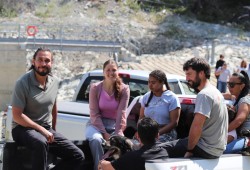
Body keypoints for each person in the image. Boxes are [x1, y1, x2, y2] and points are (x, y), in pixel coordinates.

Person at [11, 47, 85, 170]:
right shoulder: (22, 83)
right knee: (41, 142)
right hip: (22, 129)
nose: (43, 64)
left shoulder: (54, 82)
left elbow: (53, 107)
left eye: (47, 60)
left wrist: (53, 130)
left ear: (52, 63)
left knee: (77, 155)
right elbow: (17, 116)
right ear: (33, 61)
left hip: (45, 128)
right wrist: (42, 130)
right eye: (40, 60)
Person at [158, 57, 228, 159]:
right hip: (216, 149)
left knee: (157, 150)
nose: (187, 79)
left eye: (189, 74)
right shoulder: (215, 92)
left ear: (201, 73)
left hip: (204, 148)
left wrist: (190, 150)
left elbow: (197, 126)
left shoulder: (204, 94)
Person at [85, 59, 130, 170]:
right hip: (96, 124)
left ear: (118, 71)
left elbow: (122, 113)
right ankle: (99, 167)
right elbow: (94, 114)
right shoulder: (95, 88)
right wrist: (105, 133)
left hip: (115, 125)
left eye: (114, 70)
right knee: (96, 140)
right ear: (103, 72)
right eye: (108, 70)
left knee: (124, 145)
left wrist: (117, 134)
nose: (111, 73)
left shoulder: (125, 89)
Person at [99, 117, 168, 170]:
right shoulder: (165, 152)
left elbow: (106, 166)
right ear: (158, 136)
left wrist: (101, 163)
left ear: (137, 136)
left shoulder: (131, 157)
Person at [139, 70, 181, 142]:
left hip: (166, 133)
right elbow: (141, 117)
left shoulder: (172, 98)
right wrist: (140, 132)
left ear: (162, 82)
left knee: (153, 147)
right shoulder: (146, 97)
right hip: (147, 133)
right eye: (149, 82)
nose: (150, 85)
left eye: (153, 82)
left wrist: (157, 133)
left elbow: (174, 122)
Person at [223, 71, 250, 154]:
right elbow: (225, 95)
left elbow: (238, 121)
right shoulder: (236, 98)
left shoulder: (244, 100)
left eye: (232, 85)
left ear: (241, 86)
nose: (229, 87)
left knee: (224, 151)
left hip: (246, 138)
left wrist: (222, 131)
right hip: (238, 137)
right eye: (228, 83)